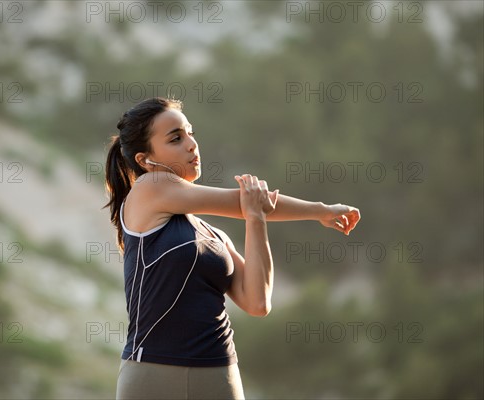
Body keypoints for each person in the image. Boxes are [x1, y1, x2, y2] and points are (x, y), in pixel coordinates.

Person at [104, 97, 360, 400]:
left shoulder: (217, 238)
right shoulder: (150, 187)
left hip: (219, 373)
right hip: (153, 372)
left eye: (190, 133)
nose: (191, 145)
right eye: (175, 138)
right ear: (146, 160)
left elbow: (257, 302)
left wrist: (256, 220)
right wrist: (321, 210)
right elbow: (242, 201)